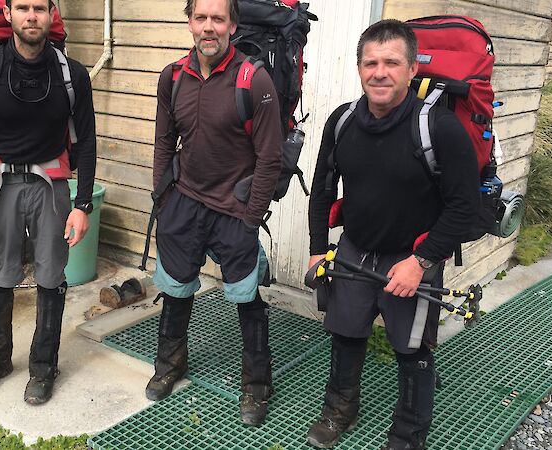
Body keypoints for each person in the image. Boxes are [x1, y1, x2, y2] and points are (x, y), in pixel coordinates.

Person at [304, 20, 480, 449]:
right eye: (371, 63)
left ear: (412, 69)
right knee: (345, 335)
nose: (379, 72)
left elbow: (464, 207)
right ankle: (339, 411)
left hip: (413, 258)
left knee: (412, 350)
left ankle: (408, 434)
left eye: (391, 63)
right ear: (360, 68)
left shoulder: (438, 128)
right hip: (354, 252)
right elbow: (323, 190)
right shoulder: (342, 121)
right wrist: (316, 251)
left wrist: (421, 263)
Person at [147, 0, 282, 426]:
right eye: (200, 18)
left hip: (234, 208)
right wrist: (163, 200)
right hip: (183, 201)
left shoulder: (253, 80)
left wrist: (250, 218)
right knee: (176, 286)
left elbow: (269, 158)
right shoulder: (172, 77)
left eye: (218, 19)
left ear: (233, 25)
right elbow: (164, 143)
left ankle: (257, 384)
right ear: (189, 22)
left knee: (246, 296)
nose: (209, 27)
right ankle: (170, 365)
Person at [0, 0, 96, 405]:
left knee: (51, 275)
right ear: (9, 14)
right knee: (0, 272)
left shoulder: (72, 75)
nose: (31, 16)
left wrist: (82, 204)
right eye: (23, 7)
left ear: (52, 14)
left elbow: (85, 141)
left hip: (51, 186)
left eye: (39, 7)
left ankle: (43, 367)